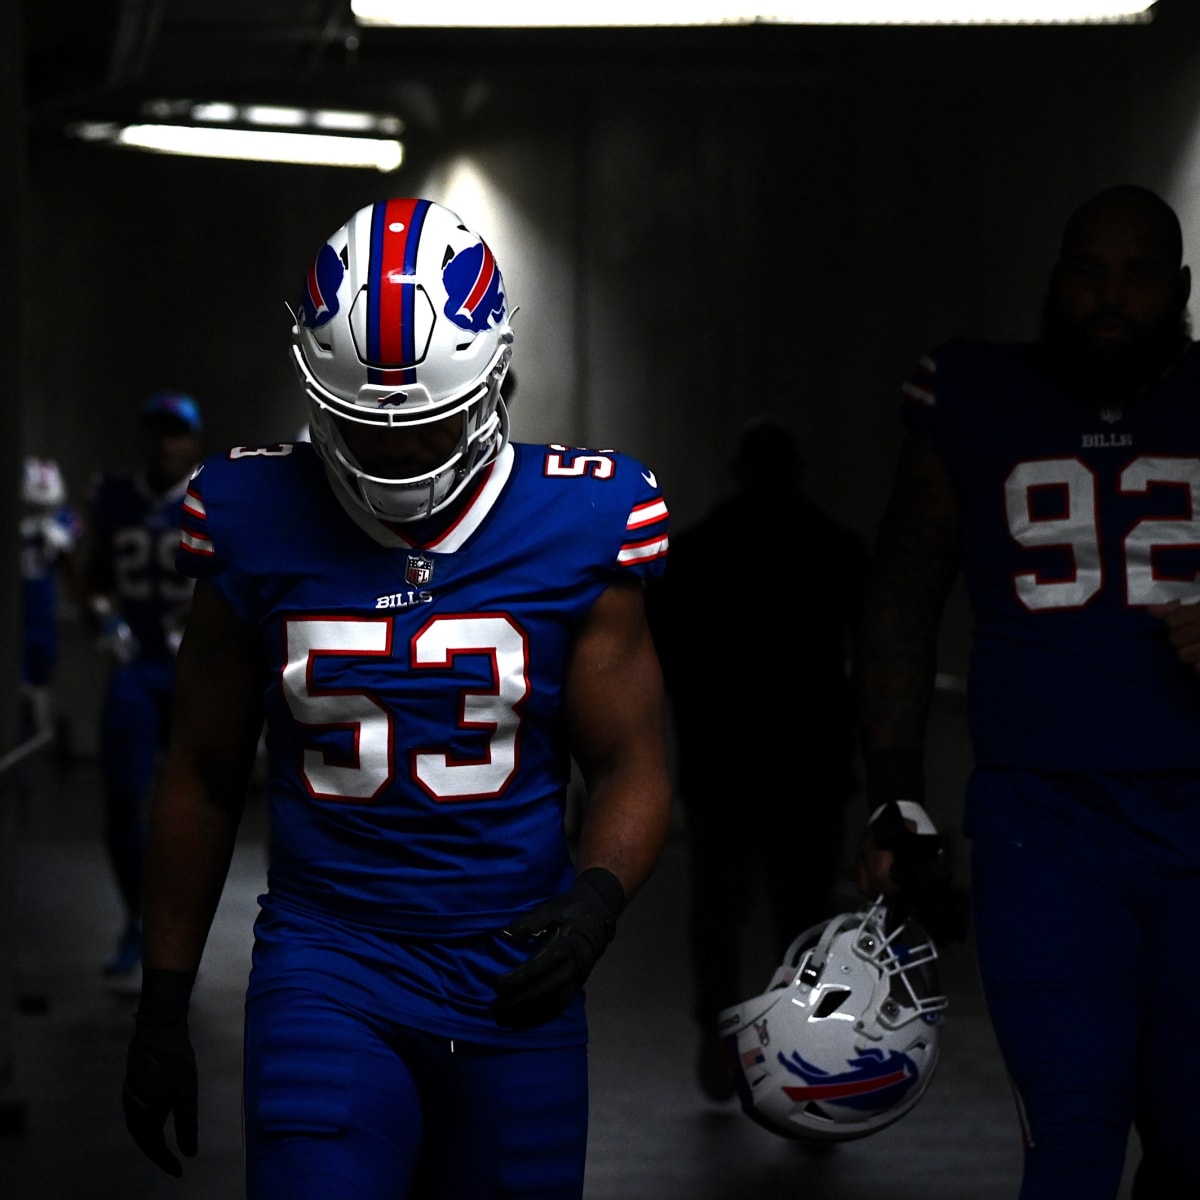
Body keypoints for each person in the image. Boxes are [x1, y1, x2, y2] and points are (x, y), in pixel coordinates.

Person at [120, 197, 672, 1199]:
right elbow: (201, 771)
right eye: (364, 429)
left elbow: (632, 760)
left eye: (423, 426)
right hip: (329, 965)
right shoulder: (249, 512)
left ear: (494, 378)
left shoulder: (586, 516)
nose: (395, 455)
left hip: (516, 970)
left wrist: (595, 901)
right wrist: (163, 997)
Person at [855, 183, 1200, 1199]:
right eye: (1088, 269)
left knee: (1192, 1142)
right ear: (1054, 278)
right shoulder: (977, 393)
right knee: (1074, 1130)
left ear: (1179, 288)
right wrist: (893, 789)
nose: (1110, 296)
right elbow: (900, 596)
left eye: (1140, 275)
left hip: (1199, 818)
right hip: (1043, 828)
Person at [646, 417, 867, 1101]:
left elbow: (664, 662)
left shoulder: (696, 553)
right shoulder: (832, 549)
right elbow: (870, 656)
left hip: (728, 767)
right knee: (800, 920)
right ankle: (806, 1056)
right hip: (803, 767)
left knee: (722, 914)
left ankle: (724, 1042)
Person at [83, 391, 202, 975]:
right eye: (157, 431)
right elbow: (92, 579)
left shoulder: (211, 497)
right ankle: (137, 918)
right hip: (136, 666)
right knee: (123, 800)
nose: (166, 443)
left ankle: (174, 929)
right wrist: (104, 615)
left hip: (192, 672)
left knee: (191, 806)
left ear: (194, 439)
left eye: (177, 432)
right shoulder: (114, 496)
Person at [18, 456, 84, 748]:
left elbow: (71, 548)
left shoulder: (61, 521)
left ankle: (36, 756)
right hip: (15, 621)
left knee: (40, 689)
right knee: (18, 694)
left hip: (43, 621)